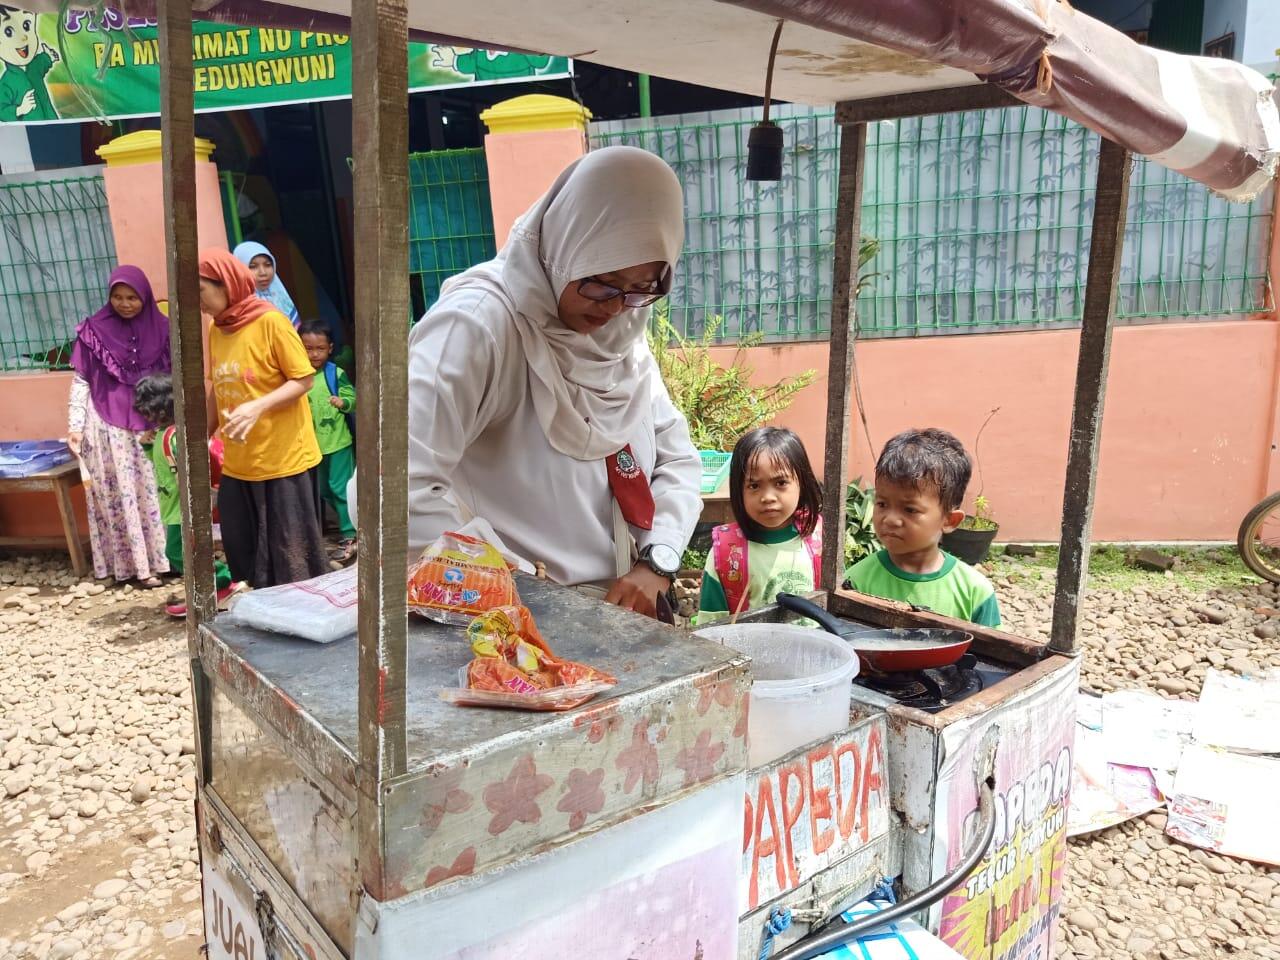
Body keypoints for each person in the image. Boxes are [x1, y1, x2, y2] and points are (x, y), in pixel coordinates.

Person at [407, 146, 701, 618]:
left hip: (621, 615)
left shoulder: (621, 333)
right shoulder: (479, 328)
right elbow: (397, 490)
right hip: (512, 623)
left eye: (641, 287)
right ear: (565, 245)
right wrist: (508, 586)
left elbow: (677, 458)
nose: (613, 307)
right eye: (601, 281)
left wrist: (657, 561)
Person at [198, 248, 328, 588]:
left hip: (283, 458)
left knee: (291, 557)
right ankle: (266, 614)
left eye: (200, 290)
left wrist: (257, 406)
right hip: (239, 461)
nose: (197, 301)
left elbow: (303, 379)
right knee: (243, 548)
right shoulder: (217, 329)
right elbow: (219, 387)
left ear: (225, 284)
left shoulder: (271, 322)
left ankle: (302, 619)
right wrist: (199, 437)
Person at [67, 265, 171, 585]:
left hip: (150, 423)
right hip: (107, 424)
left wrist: (171, 420)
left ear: (146, 297)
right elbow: (81, 380)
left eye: (133, 297)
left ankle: (167, 561)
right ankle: (132, 567)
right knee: (120, 494)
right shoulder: (94, 331)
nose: (125, 304)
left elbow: (174, 379)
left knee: (157, 492)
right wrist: (75, 425)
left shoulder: (165, 329)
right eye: (118, 297)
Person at [845, 428, 1001, 627]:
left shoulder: (975, 592)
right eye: (882, 504)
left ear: (949, 521)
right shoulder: (855, 581)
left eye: (910, 509)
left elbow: (992, 655)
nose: (891, 519)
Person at [131, 375, 243, 617]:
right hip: (173, 507)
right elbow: (160, 464)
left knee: (181, 552)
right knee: (184, 552)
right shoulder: (163, 434)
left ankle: (221, 584)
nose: (146, 417)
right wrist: (147, 444)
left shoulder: (174, 436)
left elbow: (189, 468)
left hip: (183, 508)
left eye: (148, 411)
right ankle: (206, 589)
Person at [694, 427, 823, 624]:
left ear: (802, 484)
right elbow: (711, 630)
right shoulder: (726, 554)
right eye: (754, 486)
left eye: (780, 483)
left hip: (816, 653)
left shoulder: (820, 541)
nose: (768, 497)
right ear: (739, 491)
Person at [299, 320, 357, 562]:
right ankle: (351, 522)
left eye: (319, 348)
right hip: (313, 446)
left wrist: (343, 403)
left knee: (340, 487)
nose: (314, 354)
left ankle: (350, 534)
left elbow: (351, 397)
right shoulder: (298, 376)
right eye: (308, 348)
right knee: (323, 490)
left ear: (330, 348)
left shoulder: (336, 373)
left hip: (338, 442)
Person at [233, 241, 299, 327]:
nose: (263, 272)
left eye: (267, 265)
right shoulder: (235, 308)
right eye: (253, 266)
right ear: (239, 270)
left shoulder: (281, 298)